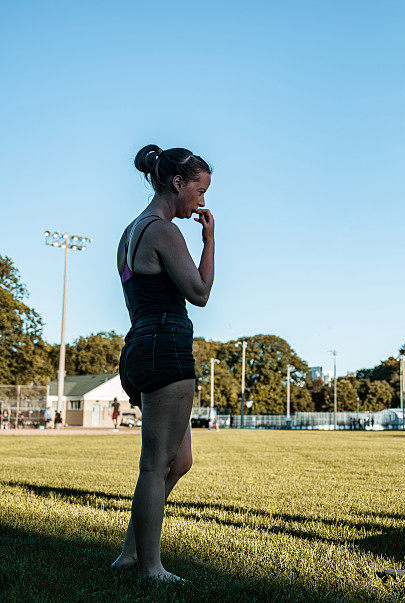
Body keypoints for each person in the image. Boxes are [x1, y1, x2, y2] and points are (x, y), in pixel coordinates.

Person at [112, 144, 215, 581]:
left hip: (139, 344)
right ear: (177, 183)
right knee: (155, 465)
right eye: (200, 189)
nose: (203, 200)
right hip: (164, 346)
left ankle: (131, 552)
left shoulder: (131, 230)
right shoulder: (164, 230)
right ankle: (150, 567)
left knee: (180, 460)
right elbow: (200, 292)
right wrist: (210, 242)